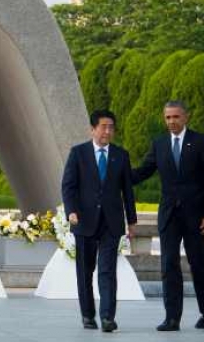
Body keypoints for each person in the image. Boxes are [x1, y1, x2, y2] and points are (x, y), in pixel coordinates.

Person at [133, 100, 204, 331]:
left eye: (176, 117)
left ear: (185, 117)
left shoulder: (201, 142)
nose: (171, 121)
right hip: (169, 215)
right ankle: (172, 318)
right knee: (168, 265)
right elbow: (143, 171)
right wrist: (117, 176)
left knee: (198, 264)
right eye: (168, 118)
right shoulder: (160, 144)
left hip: (196, 217)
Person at [61, 109, 137, 333]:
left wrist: (131, 221)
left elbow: (127, 191)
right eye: (103, 127)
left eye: (111, 127)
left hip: (111, 223)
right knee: (85, 271)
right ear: (92, 129)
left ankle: (107, 317)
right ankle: (87, 315)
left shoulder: (121, 155)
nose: (107, 131)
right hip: (84, 220)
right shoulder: (78, 153)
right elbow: (68, 186)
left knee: (107, 271)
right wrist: (71, 211)